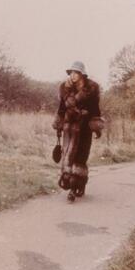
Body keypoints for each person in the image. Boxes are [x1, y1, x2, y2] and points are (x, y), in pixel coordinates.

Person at [52, 61, 103, 203]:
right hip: (69, 128)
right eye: (71, 72)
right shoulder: (65, 88)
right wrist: (59, 124)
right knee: (68, 156)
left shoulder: (91, 88)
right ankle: (70, 184)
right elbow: (61, 108)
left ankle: (76, 187)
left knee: (81, 157)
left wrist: (96, 126)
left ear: (82, 74)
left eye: (76, 72)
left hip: (84, 128)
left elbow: (95, 109)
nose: (73, 75)